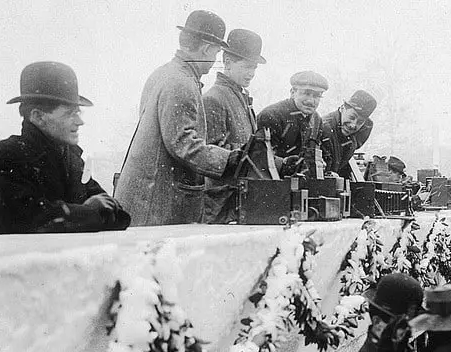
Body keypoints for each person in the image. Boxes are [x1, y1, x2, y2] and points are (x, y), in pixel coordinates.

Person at [115, 10, 238, 226]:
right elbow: (183, 144)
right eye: (216, 53)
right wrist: (230, 159)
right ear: (206, 48)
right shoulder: (181, 83)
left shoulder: (164, 73)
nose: (214, 61)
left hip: (148, 196)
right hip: (156, 203)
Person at [0, 62, 130, 234]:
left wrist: (95, 212)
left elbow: (111, 210)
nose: (79, 121)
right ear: (38, 117)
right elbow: (24, 220)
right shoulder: (7, 156)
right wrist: (90, 212)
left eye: (78, 112)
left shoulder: (72, 159)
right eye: (70, 113)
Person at [201, 28, 267, 224]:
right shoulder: (214, 99)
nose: (251, 74)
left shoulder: (240, 98)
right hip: (222, 205)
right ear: (228, 62)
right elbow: (211, 156)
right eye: (247, 67)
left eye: (254, 68)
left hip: (241, 202)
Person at [256, 71, 329, 177]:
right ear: (293, 92)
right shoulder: (271, 115)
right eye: (306, 93)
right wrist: (286, 164)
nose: (311, 101)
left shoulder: (316, 120)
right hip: (271, 182)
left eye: (317, 96)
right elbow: (260, 159)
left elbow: (315, 152)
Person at [321, 90, 376, 179]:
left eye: (360, 121)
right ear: (343, 108)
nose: (353, 125)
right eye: (351, 117)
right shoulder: (324, 128)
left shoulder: (360, 132)